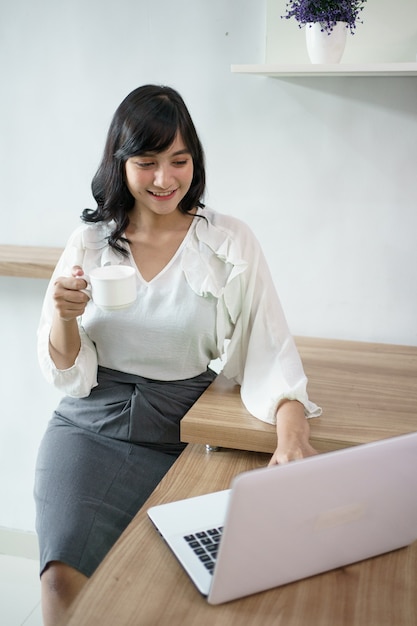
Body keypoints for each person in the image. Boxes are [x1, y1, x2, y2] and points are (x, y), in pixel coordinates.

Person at [34, 84, 321, 625]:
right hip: (89, 426)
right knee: (61, 584)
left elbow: (269, 344)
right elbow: (67, 369)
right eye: (147, 162)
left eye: (179, 161)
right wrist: (63, 315)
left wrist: (293, 435)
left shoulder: (228, 240)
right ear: (120, 164)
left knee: (179, 594)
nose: (165, 179)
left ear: (195, 162)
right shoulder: (90, 241)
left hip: (186, 428)